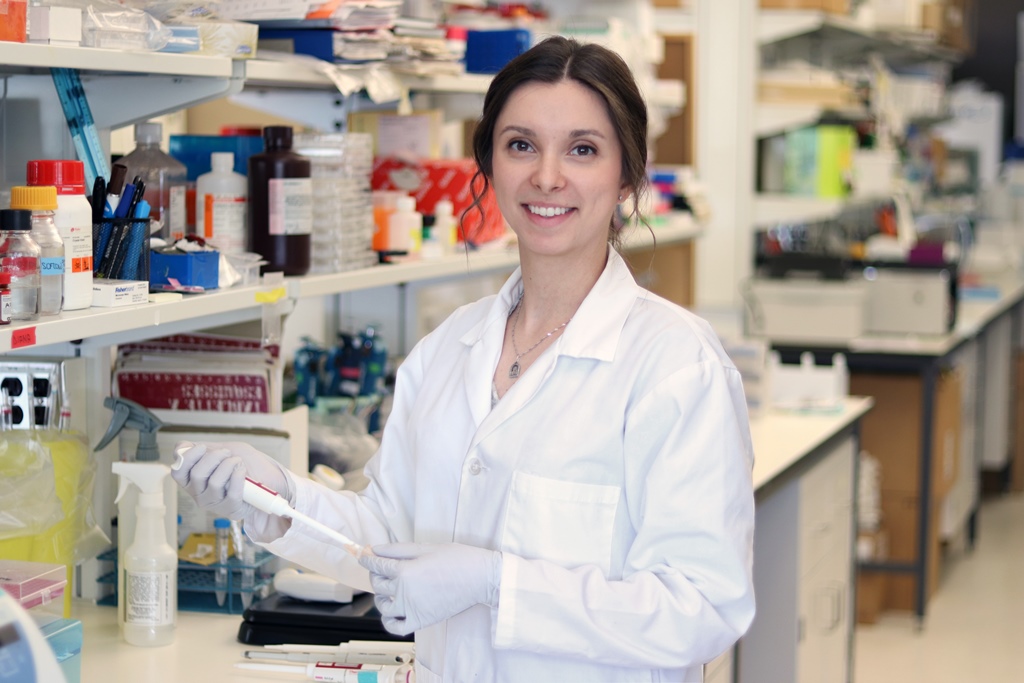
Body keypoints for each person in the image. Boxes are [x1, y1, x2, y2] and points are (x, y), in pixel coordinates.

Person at [173, 35, 756, 682]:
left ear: (628, 175)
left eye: (583, 149)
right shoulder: (450, 349)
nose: (547, 176)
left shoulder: (676, 366)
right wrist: (279, 497)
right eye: (521, 144)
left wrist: (496, 582)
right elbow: (385, 535)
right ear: (490, 163)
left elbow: (702, 608)